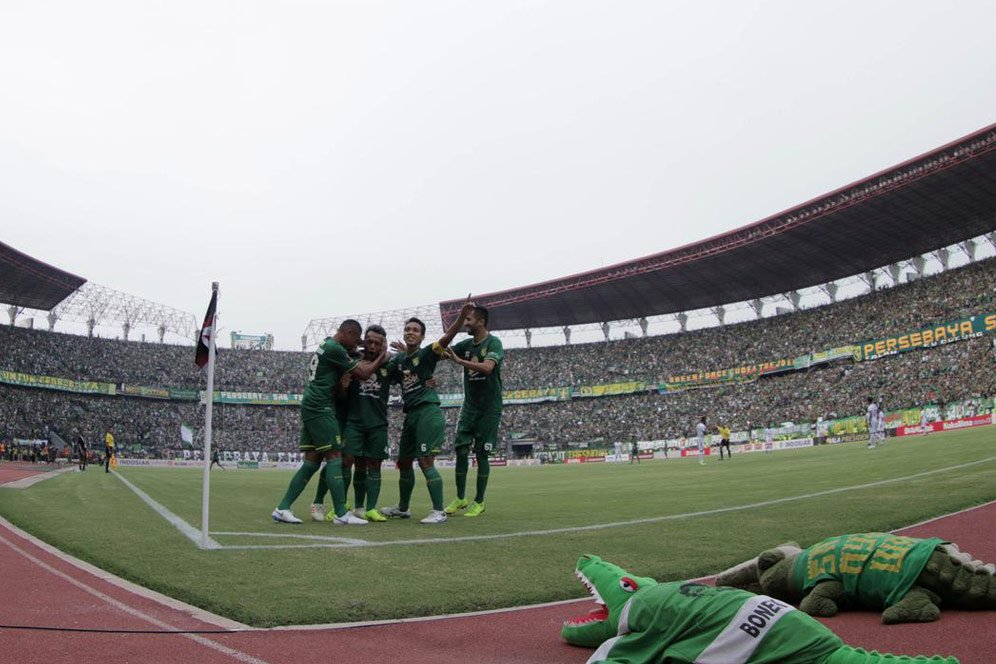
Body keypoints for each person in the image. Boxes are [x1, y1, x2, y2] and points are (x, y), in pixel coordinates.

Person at [271, 319, 386, 526]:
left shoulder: (327, 345)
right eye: (355, 339)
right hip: (320, 407)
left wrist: (354, 350)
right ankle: (342, 514)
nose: (356, 344)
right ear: (348, 332)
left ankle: (282, 508)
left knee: (312, 462)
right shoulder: (334, 349)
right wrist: (383, 356)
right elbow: (364, 373)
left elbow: (349, 358)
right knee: (334, 456)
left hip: (312, 404)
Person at [381, 297, 475, 524]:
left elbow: (446, 339)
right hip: (410, 415)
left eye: (415, 330)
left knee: (425, 461)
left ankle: (438, 511)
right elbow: (386, 368)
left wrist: (461, 317)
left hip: (428, 413)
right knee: (404, 462)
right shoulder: (400, 361)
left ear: (422, 336)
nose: (410, 332)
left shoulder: (427, 354)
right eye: (407, 329)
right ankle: (403, 508)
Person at [443, 305, 504, 518]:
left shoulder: (493, 343)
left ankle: (479, 501)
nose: (466, 324)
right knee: (460, 449)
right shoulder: (466, 345)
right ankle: (460, 497)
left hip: (489, 408)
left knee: (482, 454)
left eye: (468, 320)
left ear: (481, 321)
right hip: (470, 407)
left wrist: (460, 362)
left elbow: (487, 368)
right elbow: (439, 352)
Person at [336, 325, 392, 523]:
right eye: (369, 341)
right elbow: (342, 395)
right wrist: (343, 387)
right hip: (355, 422)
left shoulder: (389, 364)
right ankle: (342, 507)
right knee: (347, 462)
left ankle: (369, 509)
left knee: (374, 465)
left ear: (382, 344)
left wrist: (427, 378)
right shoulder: (352, 363)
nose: (373, 346)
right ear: (364, 341)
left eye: (377, 342)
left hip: (378, 424)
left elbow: (408, 375)